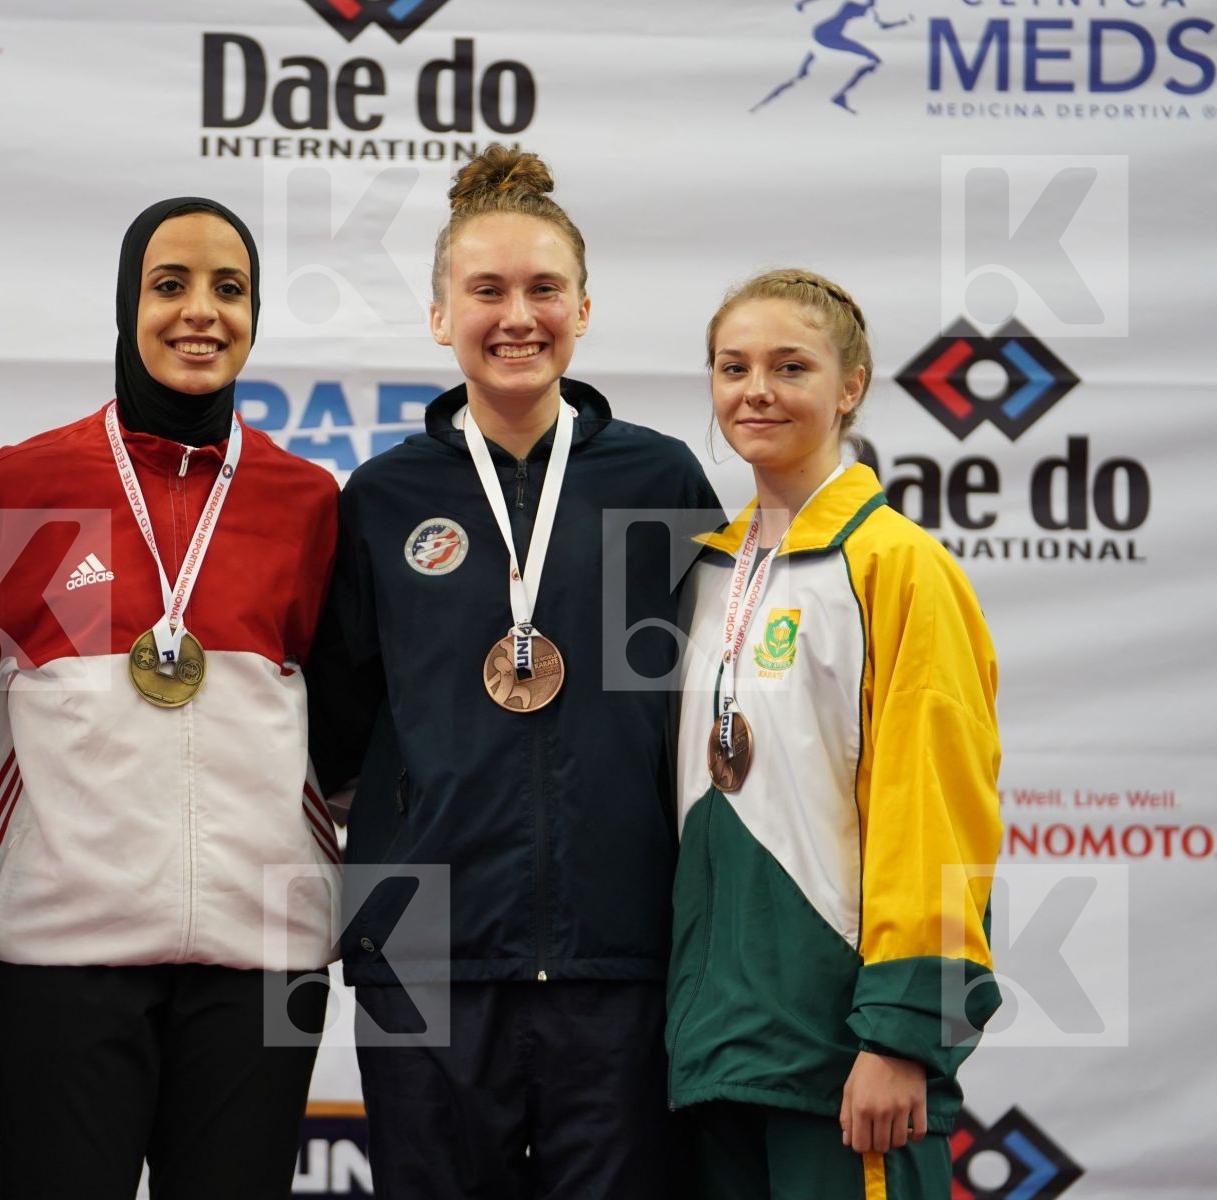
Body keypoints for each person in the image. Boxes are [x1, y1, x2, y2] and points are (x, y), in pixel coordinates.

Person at [308, 145, 723, 1198]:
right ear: (441, 315)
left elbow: (707, 702)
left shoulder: (660, 478)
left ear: (585, 307)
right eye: (485, 290)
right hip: (425, 957)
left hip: (620, 947)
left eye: (544, 289)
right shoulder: (382, 497)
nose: (518, 316)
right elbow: (339, 722)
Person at [0, 196, 340, 1199]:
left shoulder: (307, 503)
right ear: (126, 304)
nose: (199, 312)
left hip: (265, 962)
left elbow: (343, 726)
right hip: (60, 950)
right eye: (169, 285)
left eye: (230, 288)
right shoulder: (18, 486)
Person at [665, 268, 1002, 1198]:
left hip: (846, 1060)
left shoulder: (898, 566)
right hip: (715, 1053)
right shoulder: (704, 577)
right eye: (732, 367)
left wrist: (904, 1034)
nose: (756, 390)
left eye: (790, 365)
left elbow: (937, 813)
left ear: (849, 387)